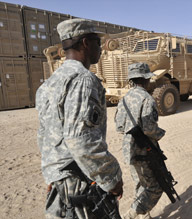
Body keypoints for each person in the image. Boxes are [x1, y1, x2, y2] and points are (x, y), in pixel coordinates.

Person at [36, 18, 123, 219]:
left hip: (60, 184)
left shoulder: (49, 84)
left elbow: (44, 136)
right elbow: (81, 140)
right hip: (79, 185)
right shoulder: (84, 80)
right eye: (97, 42)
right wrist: (112, 180)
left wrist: (52, 174)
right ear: (85, 43)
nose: (100, 48)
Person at [115, 63, 165, 219]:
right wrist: (160, 133)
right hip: (144, 151)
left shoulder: (124, 99)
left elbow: (119, 126)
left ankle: (144, 216)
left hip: (128, 150)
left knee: (140, 184)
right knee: (155, 187)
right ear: (145, 80)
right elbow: (149, 129)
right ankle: (132, 213)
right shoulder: (147, 99)